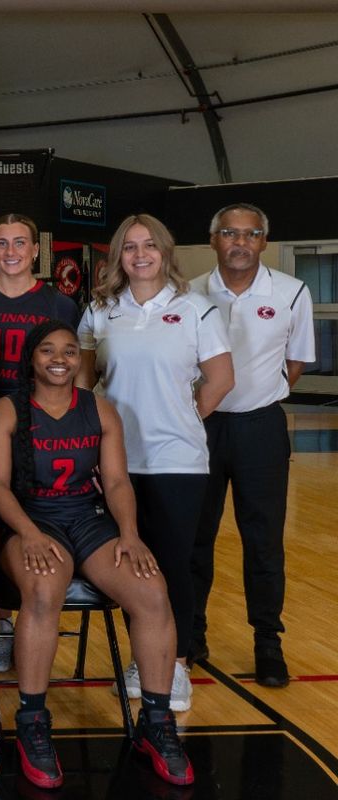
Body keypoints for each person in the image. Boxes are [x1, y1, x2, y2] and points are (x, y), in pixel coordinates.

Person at [0, 320, 192, 788]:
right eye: (48, 351)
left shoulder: (100, 410)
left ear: (81, 359)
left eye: (70, 351)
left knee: (153, 592)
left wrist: (129, 533)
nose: (60, 358)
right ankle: (33, 721)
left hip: (87, 519)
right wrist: (29, 533)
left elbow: (116, 482)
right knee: (42, 589)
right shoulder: (7, 410)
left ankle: (156, 724)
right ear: (32, 359)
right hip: (31, 520)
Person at [77, 213, 234, 712]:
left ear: (165, 252)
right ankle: (144, 660)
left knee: (173, 565)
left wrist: (182, 417)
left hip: (178, 462)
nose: (140, 254)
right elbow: (81, 387)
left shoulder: (196, 309)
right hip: (117, 462)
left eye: (149, 245)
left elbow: (220, 380)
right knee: (133, 566)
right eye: (129, 247)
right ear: (117, 256)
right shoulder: (100, 310)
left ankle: (178, 663)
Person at [190, 204, 315, 686]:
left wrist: (261, 392)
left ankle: (268, 641)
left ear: (263, 241)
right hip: (199, 427)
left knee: (263, 542)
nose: (240, 242)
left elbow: (296, 361)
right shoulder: (189, 291)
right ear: (213, 240)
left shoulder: (291, 291)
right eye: (229, 233)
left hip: (260, 429)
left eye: (251, 234)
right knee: (195, 536)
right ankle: (191, 632)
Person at [0, 213, 80, 677]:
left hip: (37, 426)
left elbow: (73, 367)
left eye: (20, 243)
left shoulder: (59, 303)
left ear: (36, 250)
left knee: (24, 514)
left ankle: (22, 611)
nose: (11, 251)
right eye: (1, 243)